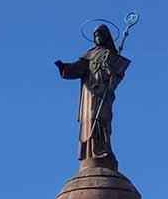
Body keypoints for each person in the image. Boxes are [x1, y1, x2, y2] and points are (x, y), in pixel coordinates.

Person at [55, 23, 130, 162]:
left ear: (106, 37)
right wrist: (64, 67)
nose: (98, 37)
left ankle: (103, 150)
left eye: (100, 35)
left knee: (102, 119)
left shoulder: (111, 55)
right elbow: (78, 68)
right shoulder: (89, 55)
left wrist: (110, 72)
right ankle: (89, 153)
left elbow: (118, 74)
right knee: (89, 121)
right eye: (96, 35)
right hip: (89, 93)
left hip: (103, 93)